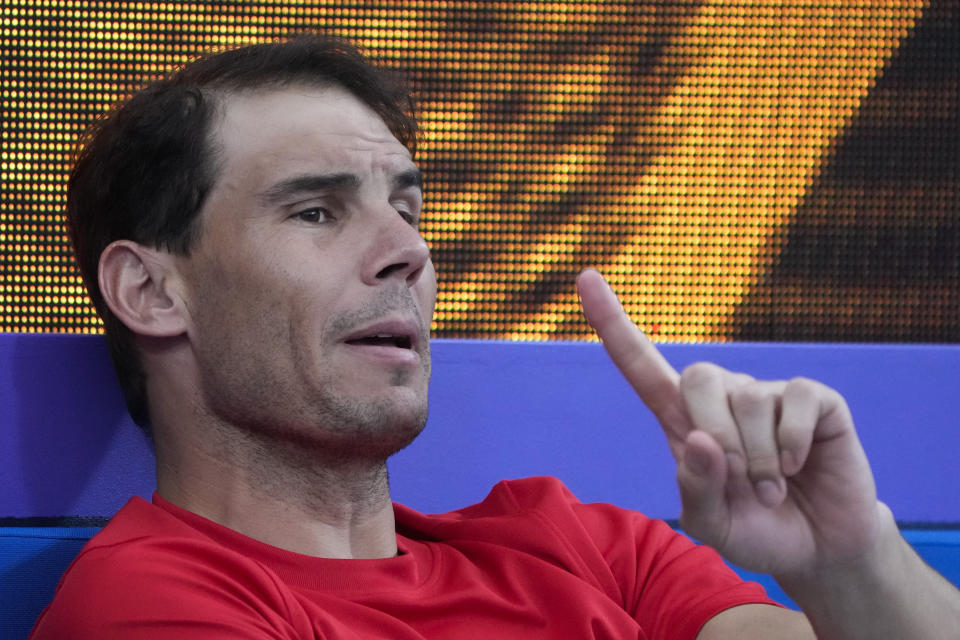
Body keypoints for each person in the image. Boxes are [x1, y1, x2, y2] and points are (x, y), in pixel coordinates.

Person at [30, 33, 959, 639]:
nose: (410, 254)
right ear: (151, 291)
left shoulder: (588, 547)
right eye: (316, 212)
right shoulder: (150, 607)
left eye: (407, 208)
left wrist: (848, 562)